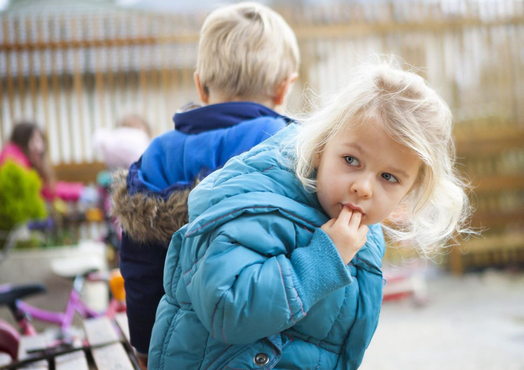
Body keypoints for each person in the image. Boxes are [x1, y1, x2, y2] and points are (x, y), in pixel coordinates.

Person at [146, 60, 471, 370]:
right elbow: (227, 308)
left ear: (409, 191)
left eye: (389, 177)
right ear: (321, 147)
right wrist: (322, 260)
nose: (363, 187)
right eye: (351, 160)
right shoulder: (265, 206)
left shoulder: (358, 226)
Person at [110, 3, 300, 368]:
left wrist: (145, 350)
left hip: (178, 355)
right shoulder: (285, 146)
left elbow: (139, 267)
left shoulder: (157, 153)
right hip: (265, 353)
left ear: (200, 84)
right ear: (283, 89)